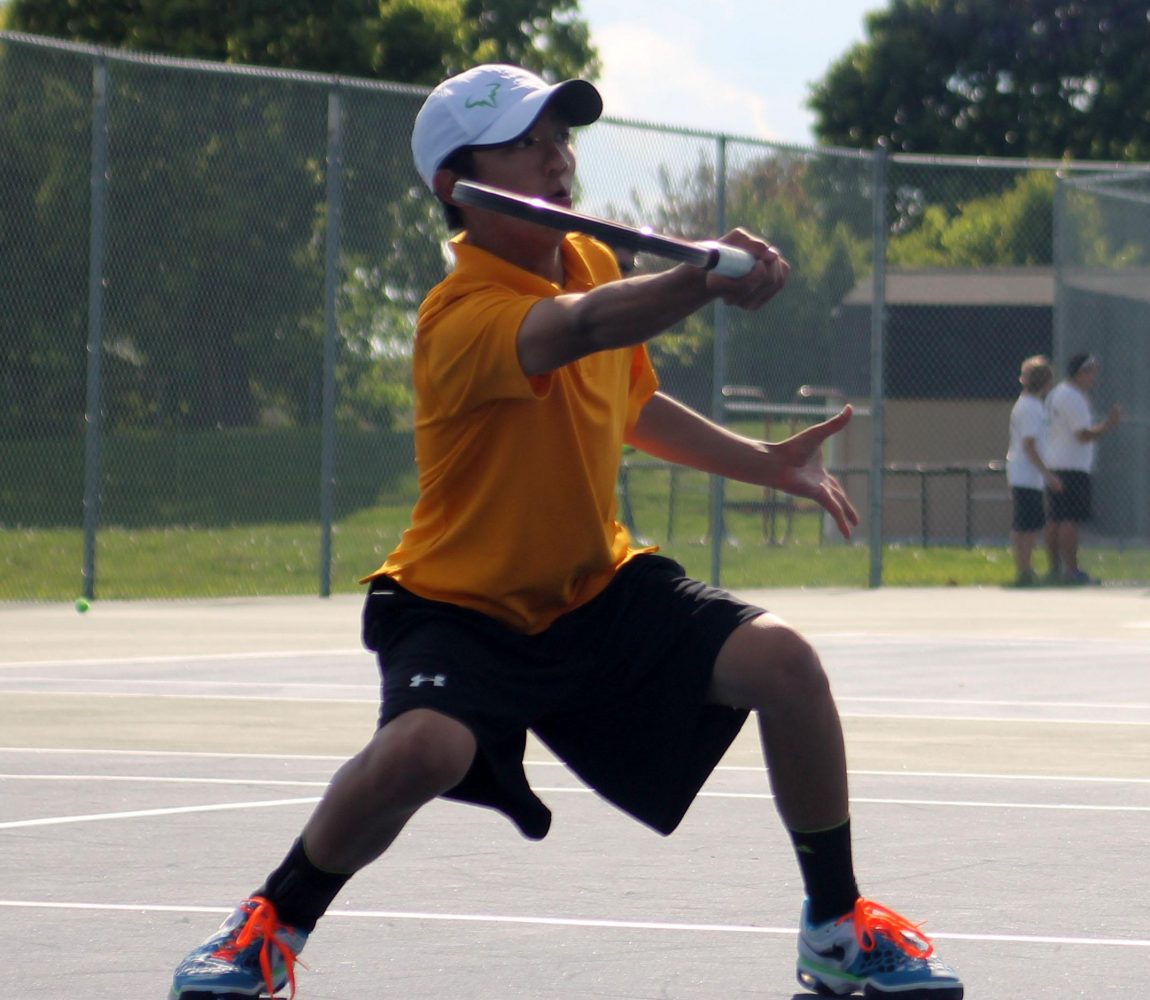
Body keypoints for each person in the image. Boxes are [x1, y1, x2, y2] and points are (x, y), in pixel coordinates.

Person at [169, 64, 963, 1000]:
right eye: (527, 141)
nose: (557, 156)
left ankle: (835, 929)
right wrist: (697, 281)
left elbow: (630, 397)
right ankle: (267, 924)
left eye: (560, 136)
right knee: (426, 751)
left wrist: (768, 462)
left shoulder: (588, 260)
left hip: (595, 588)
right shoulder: (458, 317)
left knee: (785, 664)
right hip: (460, 606)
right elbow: (577, 331)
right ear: (458, 186)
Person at [1043, 352, 1121, 585]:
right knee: (1069, 520)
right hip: (1072, 467)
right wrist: (1108, 425)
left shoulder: (1057, 393)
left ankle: (1055, 571)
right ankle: (1072, 571)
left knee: (1056, 519)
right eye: (1091, 372)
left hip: (1056, 464)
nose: (1093, 377)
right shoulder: (1073, 397)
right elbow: (1083, 435)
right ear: (1081, 372)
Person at [1005, 355, 1061, 586]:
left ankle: (1026, 569)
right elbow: (1029, 446)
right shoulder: (1029, 408)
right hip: (1026, 474)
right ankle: (1025, 570)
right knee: (1026, 525)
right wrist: (1048, 475)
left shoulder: (1034, 406)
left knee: (1029, 523)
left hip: (1030, 475)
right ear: (1046, 384)